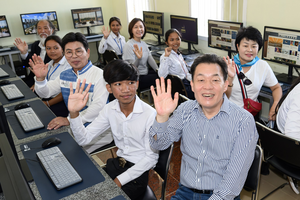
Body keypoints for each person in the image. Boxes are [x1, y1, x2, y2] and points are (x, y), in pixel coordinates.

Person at [149, 54, 258, 200]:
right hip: (185, 192)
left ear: (225, 84)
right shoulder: (185, 110)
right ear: (192, 85)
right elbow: (159, 143)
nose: (207, 86)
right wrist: (162, 117)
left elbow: (233, 181)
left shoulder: (243, 121)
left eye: (215, 80)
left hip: (221, 195)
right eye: (201, 80)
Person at [68, 59, 158, 200]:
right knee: (85, 190)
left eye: (130, 83)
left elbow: (151, 158)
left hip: (137, 173)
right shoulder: (109, 109)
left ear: (137, 84)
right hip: (117, 165)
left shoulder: (150, 114)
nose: (125, 89)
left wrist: (120, 180)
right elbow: (83, 139)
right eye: (118, 84)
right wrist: (74, 114)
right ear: (109, 88)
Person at [29, 32, 112, 153]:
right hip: (74, 125)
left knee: (66, 152)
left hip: (97, 130)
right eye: (69, 52)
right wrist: (41, 79)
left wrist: (69, 119)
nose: (74, 56)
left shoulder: (100, 75)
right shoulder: (65, 75)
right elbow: (45, 93)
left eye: (78, 51)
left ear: (87, 52)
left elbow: (98, 108)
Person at [224, 26, 282, 120]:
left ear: (258, 48)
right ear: (238, 46)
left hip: (250, 116)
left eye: (254, 46)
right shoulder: (227, 65)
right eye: (245, 45)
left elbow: (276, 87)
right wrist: (229, 80)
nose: (250, 50)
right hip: (228, 116)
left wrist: (275, 104)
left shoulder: (262, 66)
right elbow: (222, 98)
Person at [29, 35, 71, 117]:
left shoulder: (68, 65)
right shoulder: (49, 64)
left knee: (37, 115)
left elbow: (66, 91)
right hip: (47, 96)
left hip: (62, 102)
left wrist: (47, 103)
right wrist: (38, 81)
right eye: (48, 48)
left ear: (62, 48)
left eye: (56, 48)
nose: (52, 51)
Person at [14, 19, 55, 87]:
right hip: (33, 78)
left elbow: (56, 72)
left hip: (49, 81)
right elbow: (28, 64)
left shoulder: (58, 46)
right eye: (39, 28)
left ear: (52, 30)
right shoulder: (35, 45)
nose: (42, 31)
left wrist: (38, 84)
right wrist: (24, 52)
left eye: (45, 28)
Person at [123, 18, 158, 91]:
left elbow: (150, 59)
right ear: (131, 30)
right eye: (136, 27)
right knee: (163, 79)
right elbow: (131, 69)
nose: (139, 29)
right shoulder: (128, 45)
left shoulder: (143, 44)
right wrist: (138, 58)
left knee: (164, 74)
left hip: (145, 72)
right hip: (136, 78)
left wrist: (159, 71)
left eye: (141, 27)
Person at [158, 28, 194, 99]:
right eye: (172, 40)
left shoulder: (179, 54)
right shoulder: (165, 57)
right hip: (181, 88)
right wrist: (166, 57)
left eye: (177, 39)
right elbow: (161, 75)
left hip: (186, 83)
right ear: (166, 42)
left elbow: (186, 73)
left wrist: (195, 81)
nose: (175, 42)